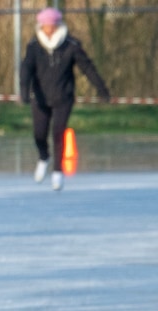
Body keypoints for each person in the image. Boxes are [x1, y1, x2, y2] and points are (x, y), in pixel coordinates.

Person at [20, 6, 110, 191]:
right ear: (41, 26)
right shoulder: (34, 46)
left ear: (57, 25)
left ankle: (57, 172)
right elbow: (26, 69)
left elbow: (87, 67)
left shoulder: (71, 45)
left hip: (63, 97)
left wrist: (101, 88)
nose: (49, 29)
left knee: (59, 134)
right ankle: (44, 157)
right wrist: (24, 90)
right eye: (45, 26)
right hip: (40, 98)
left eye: (52, 25)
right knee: (39, 134)